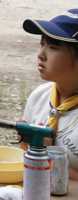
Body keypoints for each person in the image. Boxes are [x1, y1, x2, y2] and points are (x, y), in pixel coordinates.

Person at [21, 9, 78, 180]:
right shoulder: (39, 96)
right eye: (41, 44)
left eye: (53, 47)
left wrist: (44, 154)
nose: (40, 54)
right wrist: (27, 146)